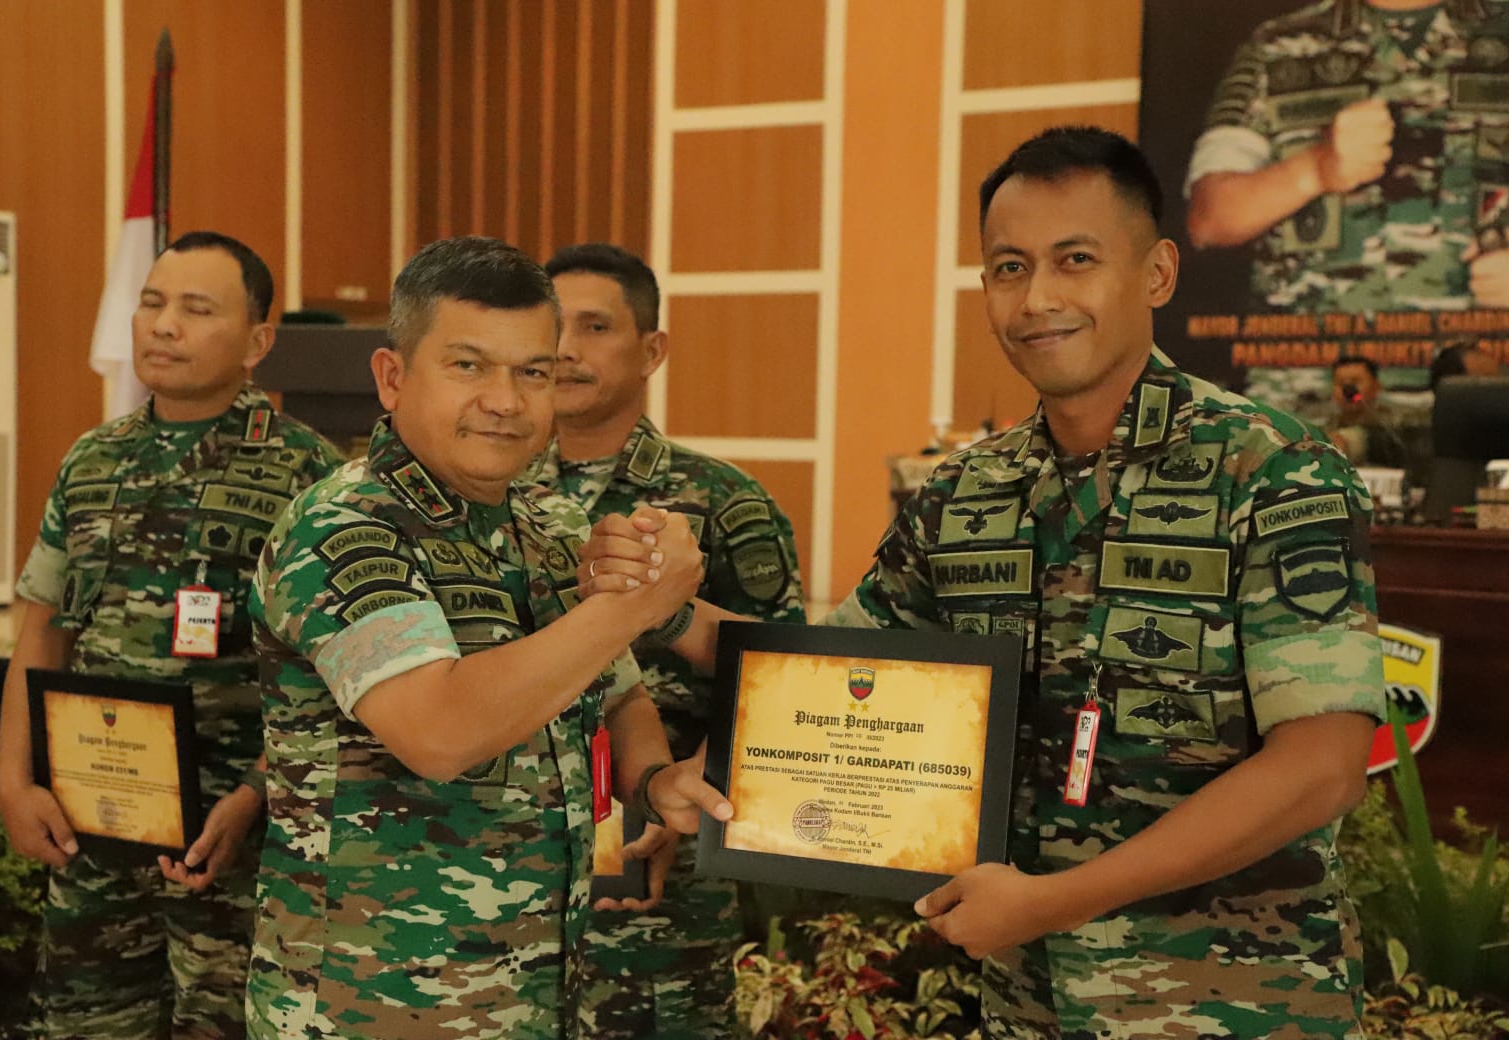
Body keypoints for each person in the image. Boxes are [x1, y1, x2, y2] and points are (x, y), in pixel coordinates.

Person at [583, 127, 1386, 1038]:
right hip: (1025, 1003)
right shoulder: (966, 492)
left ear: (1157, 274)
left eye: (1075, 260)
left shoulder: (1272, 472)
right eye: (1010, 268)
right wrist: (660, 607)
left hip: (1236, 1006)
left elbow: (1320, 769)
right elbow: (834, 673)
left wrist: (1058, 899)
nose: (1038, 298)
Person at [245, 236, 733, 1040]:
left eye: (533, 372)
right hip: (371, 1008)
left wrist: (653, 783)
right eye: (468, 366)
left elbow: (617, 695)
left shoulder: (548, 522)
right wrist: (635, 605)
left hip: (533, 995)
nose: (505, 401)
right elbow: (438, 731)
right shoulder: (343, 527)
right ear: (392, 377)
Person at [0, 231, 345, 1039]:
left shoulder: (307, 474)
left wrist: (254, 794)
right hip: (90, 826)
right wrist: (13, 779)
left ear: (257, 342)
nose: (163, 325)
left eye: (196, 308)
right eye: (151, 303)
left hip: (234, 841)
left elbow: (333, 674)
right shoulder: (93, 460)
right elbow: (43, 628)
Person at [524, 243, 806, 1038]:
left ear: (651, 350)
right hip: (513, 870)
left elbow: (784, 679)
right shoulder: (494, 492)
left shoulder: (721, 501)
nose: (566, 349)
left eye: (595, 327)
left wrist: (683, 798)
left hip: (662, 874)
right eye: (552, 328)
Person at [1184, 0, 1509, 411]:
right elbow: (1210, 216)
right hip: (1308, 404)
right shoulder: (1278, 47)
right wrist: (1315, 169)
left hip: (1478, 402)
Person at [1320, 354, 1413, 467]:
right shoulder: (1328, 426)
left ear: (1376, 386)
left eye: (1355, 382)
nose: (1348, 390)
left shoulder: (1394, 422)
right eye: (1341, 383)